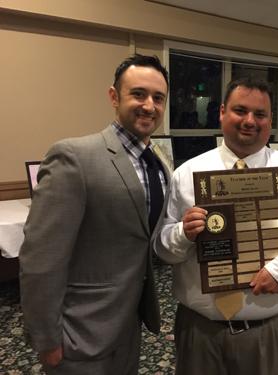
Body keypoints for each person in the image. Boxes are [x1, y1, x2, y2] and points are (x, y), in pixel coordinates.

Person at [154, 77, 278, 375]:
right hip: (199, 329)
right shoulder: (187, 174)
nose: (250, 121)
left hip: (269, 328)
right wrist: (183, 233)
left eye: (260, 114)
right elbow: (163, 248)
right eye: (240, 110)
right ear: (222, 113)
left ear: (270, 120)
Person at [19, 54, 171, 374]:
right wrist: (46, 338)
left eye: (158, 98)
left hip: (130, 324)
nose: (149, 105)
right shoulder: (74, 156)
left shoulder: (158, 163)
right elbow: (41, 259)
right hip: (80, 331)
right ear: (114, 97)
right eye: (138, 94)